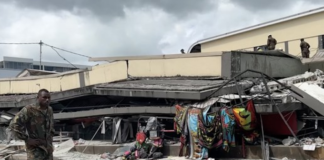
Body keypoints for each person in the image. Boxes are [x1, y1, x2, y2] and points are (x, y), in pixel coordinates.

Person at [9, 89, 55, 160]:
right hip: (35, 149)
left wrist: (50, 138)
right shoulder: (29, 110)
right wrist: (27, 139)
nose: (47, 100)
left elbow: (51, 125)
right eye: (44, 97)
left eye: (49, 98)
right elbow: (14, 124)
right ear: (38, 98)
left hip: (47, 148)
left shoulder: (49, 110)